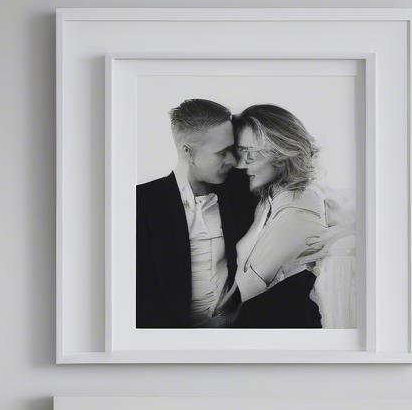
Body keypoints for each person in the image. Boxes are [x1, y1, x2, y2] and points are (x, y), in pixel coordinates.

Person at [214, 104, 336, 328]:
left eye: (254, 152)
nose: (243, 163)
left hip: (289, 336)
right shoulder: (270, 196)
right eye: (242, 151)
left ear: (283, 151)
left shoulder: (300, 207)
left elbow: (239, 296)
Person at [136, 99, 255, 328]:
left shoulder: (244, 190)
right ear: (188, 152)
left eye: (232, 149)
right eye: (221, 153)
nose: (232, 160)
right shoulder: (141, 203)